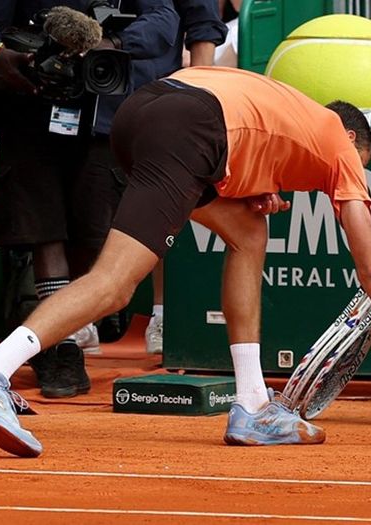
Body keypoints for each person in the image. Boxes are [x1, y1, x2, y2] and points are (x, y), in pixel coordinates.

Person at [0, 67, 371, 457]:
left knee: (248, 231)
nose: (350, 179)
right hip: (190, 128)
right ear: (352, 138)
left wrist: (254, 188)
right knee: (115, 285)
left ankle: (251, 406)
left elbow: (238, 138)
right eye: (359, 166)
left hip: (145, 111)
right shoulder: (337, 144)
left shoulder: (289, 112)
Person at [0, 0, 181, 397]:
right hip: (28, 108)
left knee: (91, 232)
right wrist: (0, 56)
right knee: (44, 228)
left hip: (104, 113)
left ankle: (62, 326)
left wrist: (109, 41)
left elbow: (164, 20)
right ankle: (61, 346)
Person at [146, 0, 229, 354]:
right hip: (94, 98)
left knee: (163, 205)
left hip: (163, 95)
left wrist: (196, 92)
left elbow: (202, 22)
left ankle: (163, 315)